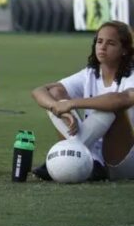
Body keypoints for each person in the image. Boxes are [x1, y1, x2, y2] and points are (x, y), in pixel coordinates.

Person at [30, 20, 134, 181]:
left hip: (123, 159)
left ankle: (64, 158)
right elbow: (40, 91)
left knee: (112, 106)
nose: (103, 47)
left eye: (111, 43)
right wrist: (57, 106)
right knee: (56, 94)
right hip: (89, 154)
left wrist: (71, 103)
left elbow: (124, 98)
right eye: (99, 41)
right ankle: (82, 160)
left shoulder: (131, 75)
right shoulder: (90, 73)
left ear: (125, 50)